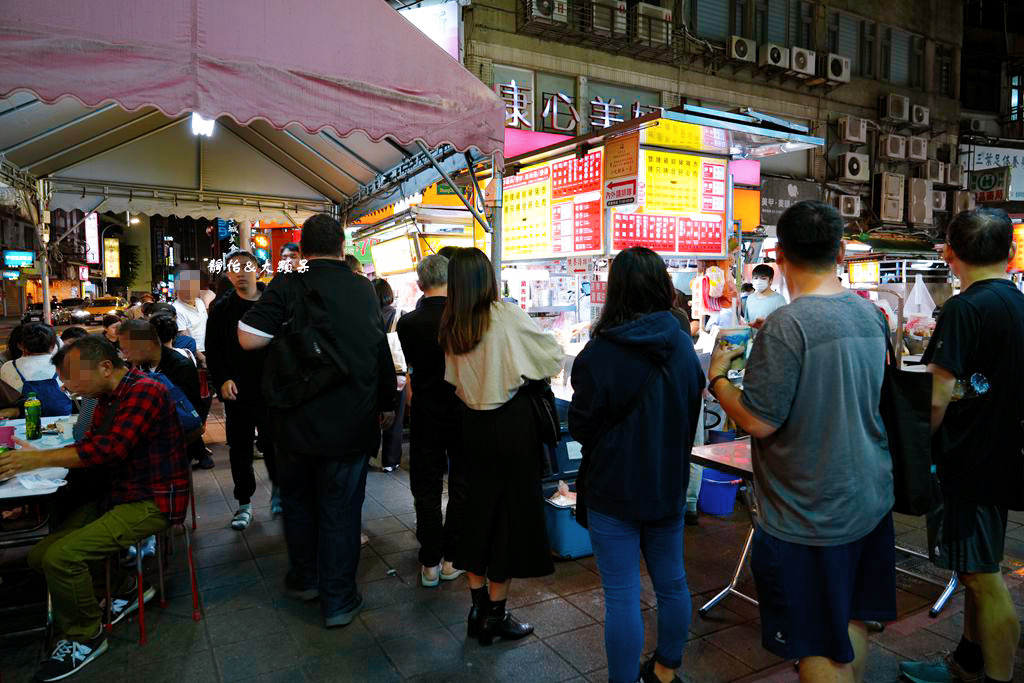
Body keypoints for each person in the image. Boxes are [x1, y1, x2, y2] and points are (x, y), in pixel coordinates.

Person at [708, 200, 895, 682]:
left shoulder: (790, 325)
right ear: (839, 252)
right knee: (851, 621)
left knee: (814, 640)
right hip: (868, 499)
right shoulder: (870, 314)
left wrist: (720, 381)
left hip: (809, 512)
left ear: (781, 254)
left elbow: (759, 422)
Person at [238, 213, 395, 629]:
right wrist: (386, 401)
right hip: (351, 421)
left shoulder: (288, 283)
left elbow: (248, 337)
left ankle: (306, 579)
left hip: (294, 423)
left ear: (302, 248)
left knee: (299, 505)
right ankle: (339, 600)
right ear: (342, 247)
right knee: (341, 512)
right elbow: (378, 348)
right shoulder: (363, 289)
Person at [0, 335, 187, 682]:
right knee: (40, 554)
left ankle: (86, 635)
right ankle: (125, 587)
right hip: (116, 494)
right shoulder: (103, 398)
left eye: (72, 377)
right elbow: (92, 445)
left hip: (152, 499)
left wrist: (32, 460)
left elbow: (109, 450)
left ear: (104, 366)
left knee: (62, 557)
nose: (67, 386)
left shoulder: (144, 390)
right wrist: (37, 455)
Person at [899, 209, 1024, 683]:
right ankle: (967, 661)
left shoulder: (964, 308)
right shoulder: (1017, 303)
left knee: (980, 577)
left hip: (968, 458)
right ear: (1010, 253)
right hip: (1003, 452)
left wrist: (915, 450)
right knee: (979, 565)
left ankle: (997, 676)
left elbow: (938, 395)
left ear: (949, 252)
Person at [568, 248, 704, 683]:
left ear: (616, 290)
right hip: (666, 485)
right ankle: (665, 672)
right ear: (663, 286)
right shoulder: (684, 346)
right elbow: (690, 412)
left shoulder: (600, 351)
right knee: (672, 583)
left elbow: (582, 425)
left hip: (613, 489)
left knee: (622, 595)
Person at [440, 247, 564, 646]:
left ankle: (477, 608)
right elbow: (551, 359)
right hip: (511, 428)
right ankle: (496, 614)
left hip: (471, 427)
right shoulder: (505, 315)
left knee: (476, 515)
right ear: (487, 279)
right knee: (507, 521)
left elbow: (453, 383)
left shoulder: (451, 323)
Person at [396, 254, 468, 587]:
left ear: (421, 284)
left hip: (425, 412)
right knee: (461, 484)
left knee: (425, 486)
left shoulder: (408, 323)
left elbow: (412, 368)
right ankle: (453, 558)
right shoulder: (465, 319)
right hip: (463, 409)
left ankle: (429, 562)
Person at [206, 251, 279, 529]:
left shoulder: (274, 303)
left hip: (272, 388)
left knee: (275, 443)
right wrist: (222, 378)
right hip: (238, 390)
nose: (240, 273)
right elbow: (213, 349)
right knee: (239, 447)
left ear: (258, 270)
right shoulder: (222, 309)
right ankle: (244, 504)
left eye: (246, 267)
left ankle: (279, 494)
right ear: (227, 274)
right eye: (233, 269)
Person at [0, 322, 71, 417]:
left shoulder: (8, 366)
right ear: (53, 346)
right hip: (62, 416)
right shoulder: (63, 363)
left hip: (25, 418)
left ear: (20, 346)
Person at [374, 277, 405, 473]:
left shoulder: (367, 316)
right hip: (397, 372)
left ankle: (368, 453)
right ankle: (390, 460)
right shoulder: (399, 315)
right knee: (396, 416)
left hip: (375, 371)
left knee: (373, 414)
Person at [172, 263, 208, 364]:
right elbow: (183, 339)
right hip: (193, 355)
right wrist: (201, 358)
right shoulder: (176, 309)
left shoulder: (199, 302)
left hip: (206, 350)